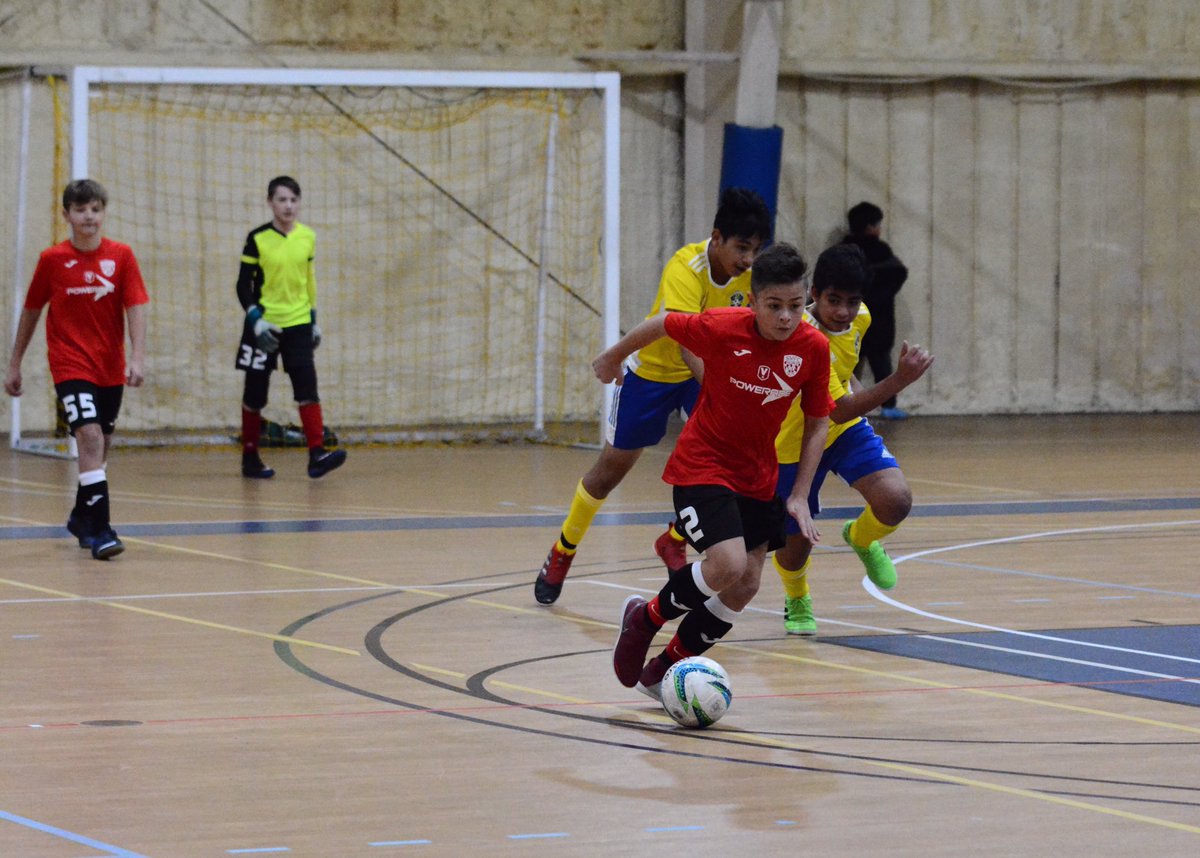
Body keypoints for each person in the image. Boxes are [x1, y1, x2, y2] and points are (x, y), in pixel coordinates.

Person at [601, 242, 834, 698]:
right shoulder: (723, 327)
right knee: (726, 563)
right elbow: (664, 322)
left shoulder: (813, 347)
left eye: (795, 306)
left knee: (744, 585)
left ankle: (665, 669)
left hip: (758, 477)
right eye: (774, 306)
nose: (786, 317)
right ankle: (644, 619)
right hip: (701, 465)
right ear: (752, 302)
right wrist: (614, 356)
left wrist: (800, 492)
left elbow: (818, 419)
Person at [533, 187, 773, 605]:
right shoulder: (686, 266)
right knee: (609, 471)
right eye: (741, 247)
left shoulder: (754, 277)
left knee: (725, 466)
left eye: (756, 249)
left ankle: (674, 539)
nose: (748, 259)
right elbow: (684, 341)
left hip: (702, 377)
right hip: (657, 373)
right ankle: (563, 550)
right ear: (716, 238)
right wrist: (724, 390)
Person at [772, 243, 934, 634]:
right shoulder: (805, 339)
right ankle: (796, 597)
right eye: (833, 300)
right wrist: (897, 382)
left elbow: (844, 376)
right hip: (794, 440)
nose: (843, 311)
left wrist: (858, 392)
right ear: (814, 294)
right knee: (795, 545)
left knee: (895, 500)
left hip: (841, 429)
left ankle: (861, 537)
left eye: (852, 300)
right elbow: (837, 408)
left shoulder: (861, 317)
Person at [5, 179, 149, 560]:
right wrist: (14, 363)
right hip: (70, 363)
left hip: (109, 365)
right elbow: (33, 310)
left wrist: (137, 357)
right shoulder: (52, 260)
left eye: (96, 209)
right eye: (81, 209)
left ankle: (81, 517)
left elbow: (136, 306)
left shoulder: (122, 256)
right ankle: (102, 530)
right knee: (88, 437)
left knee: (100, 448)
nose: (90, 216)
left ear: (104, 213)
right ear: (66, 214)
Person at [235, 175, 346, 479]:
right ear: (271, 202)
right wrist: (256, 320)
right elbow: (243, 286)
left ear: (300, 203)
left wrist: (313, 319)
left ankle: (317, 454)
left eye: (293, 200)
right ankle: (250, 457)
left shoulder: (307, 237)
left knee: (307, 389)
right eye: (282, 199)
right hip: (266, 326)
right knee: (255, 394)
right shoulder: (257, 238)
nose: (288, 205)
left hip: (298, 323)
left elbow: (308, 279)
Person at [842, 201, 910, 419]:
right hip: (879, 319)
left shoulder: (843, 249)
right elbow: (899, 272)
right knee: (881, 364)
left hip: (849, 320)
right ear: (870, 226)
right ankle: (888, 406)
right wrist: (879, 297)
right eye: (877, 224)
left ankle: (846, 403)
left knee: (847, 363)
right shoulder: (881, 250)